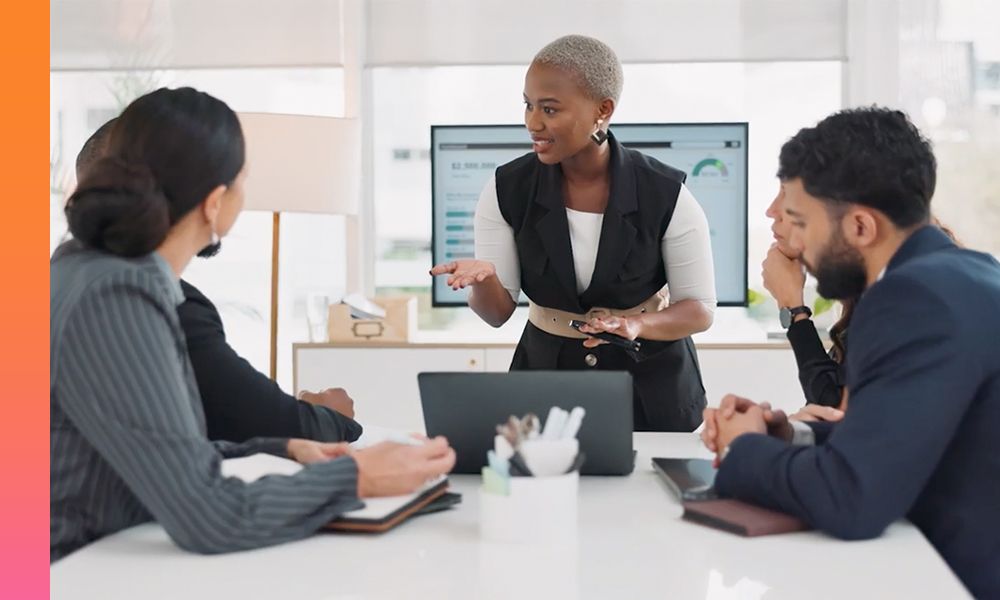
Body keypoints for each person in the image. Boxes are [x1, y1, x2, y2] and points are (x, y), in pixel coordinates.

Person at [50, 87, 456, 561]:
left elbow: (155, 452)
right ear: (214, 203)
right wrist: (358, 477)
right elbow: (208, 516)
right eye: (243, 180)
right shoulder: (119, 297)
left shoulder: (83, 270)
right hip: (66, 570)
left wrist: (283, 448)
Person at [701, 107, 1000, 598]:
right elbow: (908, 435)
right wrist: (791, 434)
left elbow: (851, 499)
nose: (799, 243)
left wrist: (743, 448)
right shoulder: (968, 273)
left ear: (861, 226)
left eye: (802, 222)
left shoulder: (910, 298)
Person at [430, 35, 717, 431]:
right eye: (528, 105)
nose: (532, 123)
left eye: (549, 109)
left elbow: (699, 309)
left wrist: (637, 325)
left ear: (603, 110)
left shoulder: (666, 193)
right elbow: (496, 314)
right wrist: (486, 279)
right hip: (544, 383)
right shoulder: (506, 189)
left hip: (651, 389)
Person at [68, 118, 362, 444]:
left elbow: (187, 436)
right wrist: (328, 418)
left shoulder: (72, 278)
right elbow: (256, 418)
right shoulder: (166, 302)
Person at [763, 186, 962, 422]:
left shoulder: (910, 291)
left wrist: (793, 307)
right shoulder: (879, 282)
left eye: (787, 194)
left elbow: (839, 410)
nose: (771, 210)